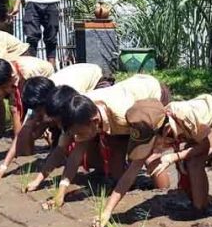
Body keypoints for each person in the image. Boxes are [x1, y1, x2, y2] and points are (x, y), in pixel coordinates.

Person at [92, 94, 212, 227]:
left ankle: (201, 210)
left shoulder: (183, 117)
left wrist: (173, 157)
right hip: (195, 131)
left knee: (193, 161)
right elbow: (131, 173)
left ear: (164, 130)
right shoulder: (151, 126)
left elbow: (203, 146)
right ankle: (203, 199)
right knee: (184, 164)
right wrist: (107, 211)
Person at [41, 74, 172, 209]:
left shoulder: (122, 115)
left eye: (79, 133)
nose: (78, 136)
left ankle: (165, 195)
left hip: (151, 96)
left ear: (95, 122)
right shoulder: (80, 112)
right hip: (126, 97)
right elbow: (75, 156)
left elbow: (140, 152)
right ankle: (128, 185)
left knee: (149, 156)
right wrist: (61, 192)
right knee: (117, 156)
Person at [0, 63, 113, 179]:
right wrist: (3, 166)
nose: (40, 115)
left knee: (87, 130)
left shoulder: (68, 97)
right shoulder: (40, 100)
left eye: (41, 111)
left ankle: (104, 166)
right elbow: (21, 134)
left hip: (97, 80)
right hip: (78, 79)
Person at [0, 57, 54, 136]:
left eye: (4, 87)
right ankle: (21, 139)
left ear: (9, 80)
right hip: (23, 79)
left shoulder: (26, 71)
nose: (4, 90)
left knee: (40, 109)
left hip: (44, 74)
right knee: (15, 108)